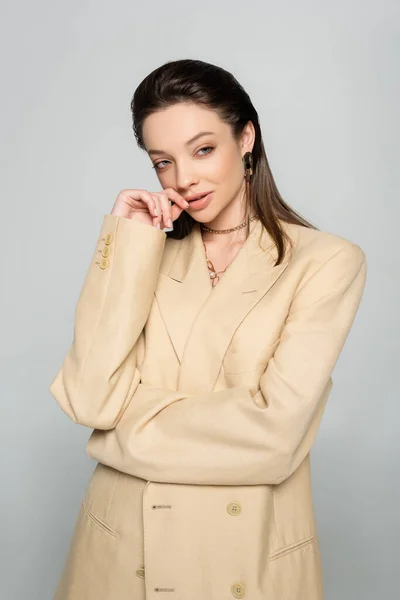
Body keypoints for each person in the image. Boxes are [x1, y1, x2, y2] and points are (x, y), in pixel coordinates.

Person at [49, 59, 367, 600]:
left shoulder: (324, 261)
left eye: (202, 150)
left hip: (242, 554)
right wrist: (126, 246)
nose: (182, 179)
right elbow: (88, 399)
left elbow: (274, 437)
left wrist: (125, 430)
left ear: (246, 137)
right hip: (123, 557)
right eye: (162, 162)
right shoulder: (144, 251)